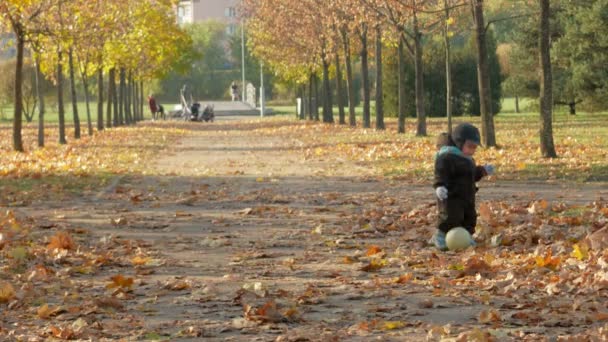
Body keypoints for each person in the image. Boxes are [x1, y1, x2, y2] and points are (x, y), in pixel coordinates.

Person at [430, 123, 495, 251]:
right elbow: (440, 173)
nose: (472, 150)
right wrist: (439, 186)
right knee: (450, 217)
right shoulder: (446, 157)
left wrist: (482, 171)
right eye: (470, 146)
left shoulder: (468, 159)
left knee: (469, 217)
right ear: (459, 143)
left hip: (467, 196)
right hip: (451, 196)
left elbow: (471, 175)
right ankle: (440, 236)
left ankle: (465, 238)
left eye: (475, 148)